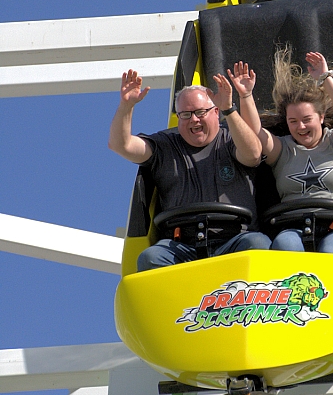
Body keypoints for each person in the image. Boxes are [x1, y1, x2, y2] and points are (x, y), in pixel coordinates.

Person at [109, 68, 271, 271]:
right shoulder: (165, 144)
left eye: (200, 112)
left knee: (258, 245)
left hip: (235, 239)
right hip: (181, 246)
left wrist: (230, 110)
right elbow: (120, 145)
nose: (194, 119)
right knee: (151, 258)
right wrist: (126, 105)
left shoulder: (231, 138)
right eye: (185, 115)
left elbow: (253, 154)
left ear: (215, 112)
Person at [237, 49, 333, 255]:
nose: (301, 127)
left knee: (332, 252)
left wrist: (326, 79)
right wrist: (245, 95)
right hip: (293, 228)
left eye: (307, 119)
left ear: (321, 117)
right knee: (284, 246)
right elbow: (254, 133)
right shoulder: (284, 150)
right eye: (293, 121)